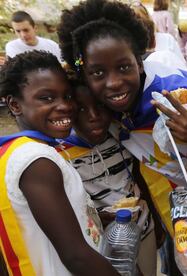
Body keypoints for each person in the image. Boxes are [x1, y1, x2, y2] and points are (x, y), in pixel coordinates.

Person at [57, 0, 187, 274]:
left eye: (123, 67)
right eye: (98, 73)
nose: (114, 82)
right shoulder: (102, 109)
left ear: (139, 63)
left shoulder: (176, 95)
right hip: (175, 216)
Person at [0, 50, 117, 276]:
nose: (64, 106)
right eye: (47, 98)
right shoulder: (37, 160)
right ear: (15, 105)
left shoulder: (14, 152)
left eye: (67, 96)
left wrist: (85, 214)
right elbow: (76, 257)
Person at [62, 82, 159, 276]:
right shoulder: (63, 154)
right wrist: (97, 219)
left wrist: (156, 219)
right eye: (81, 109)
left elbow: (139, 176)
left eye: (99, 106)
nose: (93, 116)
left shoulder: (121, 136)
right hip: (105, 243)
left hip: (144, 229)